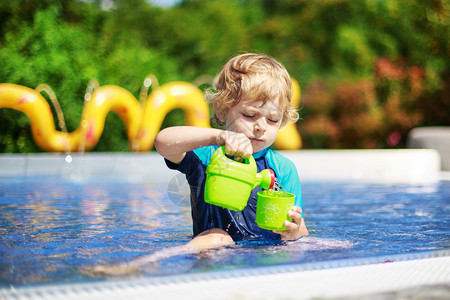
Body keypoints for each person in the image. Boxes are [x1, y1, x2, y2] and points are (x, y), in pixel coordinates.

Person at [155, 53, 308, 251]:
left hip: (268, 256)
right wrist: (217, 137)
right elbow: (162, 142)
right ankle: (152, 262)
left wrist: (295, 231)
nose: (261, 126)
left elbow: (301, 230)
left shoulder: (283, 169)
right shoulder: (208, 156)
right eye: (249, 115)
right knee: (218, 237)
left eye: (272, 120)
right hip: (214, 254)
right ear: (222, 110)